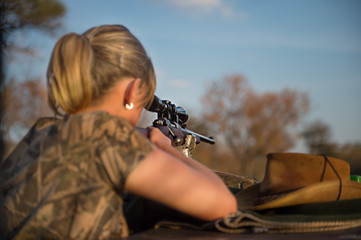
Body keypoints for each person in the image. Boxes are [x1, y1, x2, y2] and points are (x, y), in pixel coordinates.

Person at [0, 24, 237, 239]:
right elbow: (223, 203)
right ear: (132, 92)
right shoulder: (108, 135)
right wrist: (164, 147)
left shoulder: (43, 129)